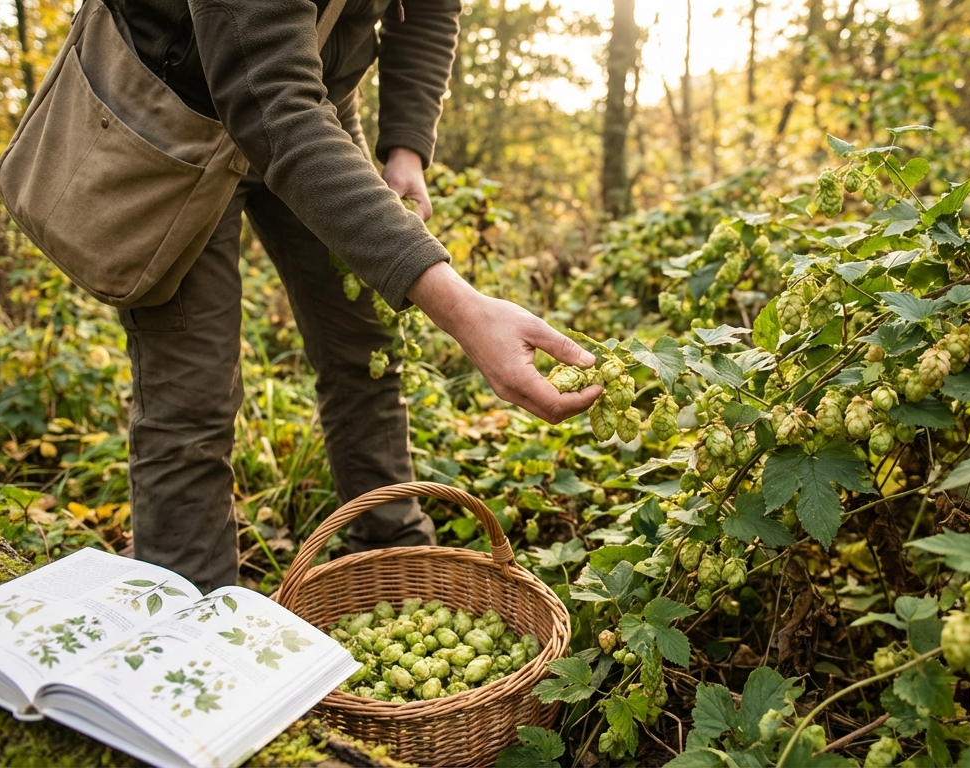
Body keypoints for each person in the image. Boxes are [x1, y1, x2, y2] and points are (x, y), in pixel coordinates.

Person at [111, 0, 602, 592]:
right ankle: (187, 633)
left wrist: (406, 147)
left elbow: (430, 9)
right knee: (189, 394)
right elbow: (269, 96)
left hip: (313, 107)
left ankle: (393, 568)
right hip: (175, 113)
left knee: (363, 346)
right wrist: (463, 310)